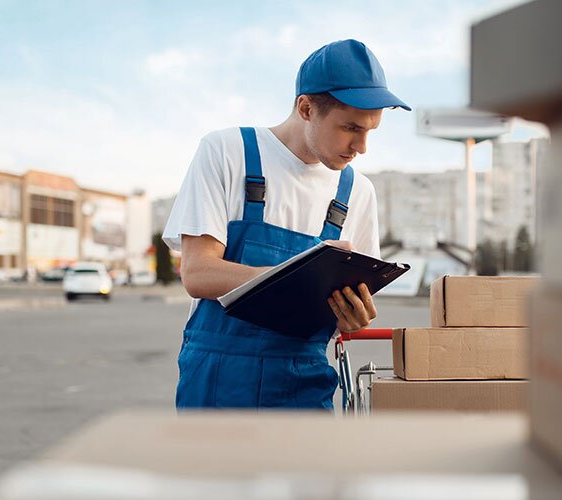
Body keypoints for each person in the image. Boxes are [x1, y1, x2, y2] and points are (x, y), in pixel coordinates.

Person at [162, 39, 410, 410]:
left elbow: (352, 314)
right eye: (350, 128)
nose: (362, 146)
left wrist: (353, 318)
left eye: (370, 131)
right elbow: (198, 274)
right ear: (306, 108)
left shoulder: (358, 191)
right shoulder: (227, 152)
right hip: (218, 378)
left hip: (304, 382)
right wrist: (299, 276)